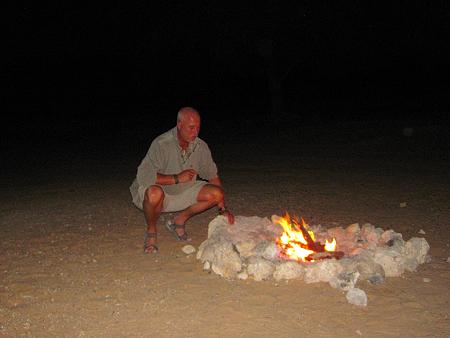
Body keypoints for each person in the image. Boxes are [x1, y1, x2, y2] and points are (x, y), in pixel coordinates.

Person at [130, 107, 234, 254]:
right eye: (191, 128)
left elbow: (213, 176)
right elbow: (143, 176)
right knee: (154, 193)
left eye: (198, 128)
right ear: (179, 124)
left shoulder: (200, 146)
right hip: (159, 193)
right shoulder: (162, 144)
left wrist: (223, 209)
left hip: (183, 192)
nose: (195, 132)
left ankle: (178, 220)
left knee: (217, 193)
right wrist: (177, 178)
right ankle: (151, 231)